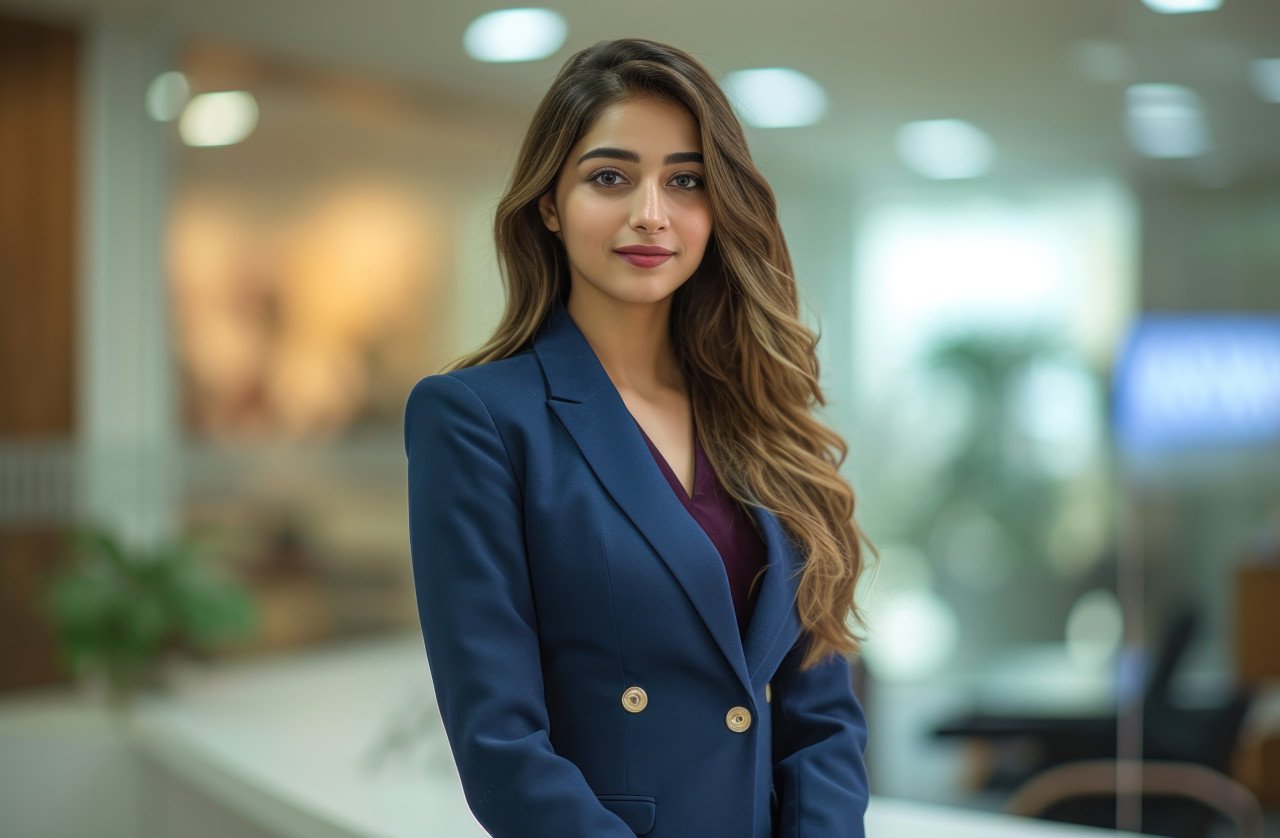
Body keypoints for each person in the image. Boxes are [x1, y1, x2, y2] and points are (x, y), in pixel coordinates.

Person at [404, 37, 874, 838]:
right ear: (549, 203)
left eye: (685, 180)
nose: (650, 213)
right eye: (610, 178)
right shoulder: (477, 418)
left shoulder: (760, 415)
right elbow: (501, 744)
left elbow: (823, 716)